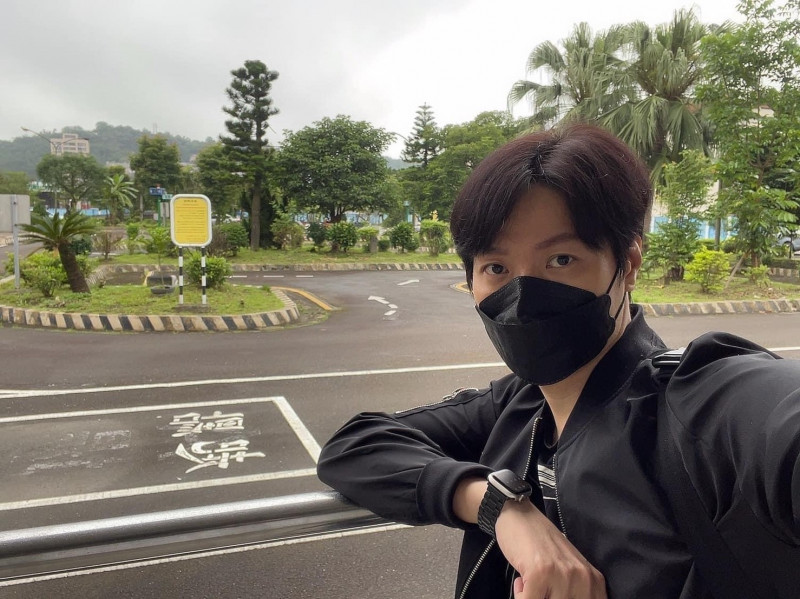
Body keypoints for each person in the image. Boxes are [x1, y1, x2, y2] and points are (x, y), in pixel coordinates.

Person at [316, 124, 800, 599]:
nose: (523, 295)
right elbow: (356, 446)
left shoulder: (698, 407)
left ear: (628, 263)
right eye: (496, 268)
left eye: (561, 260)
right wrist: (497, 505)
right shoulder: (518, 406)